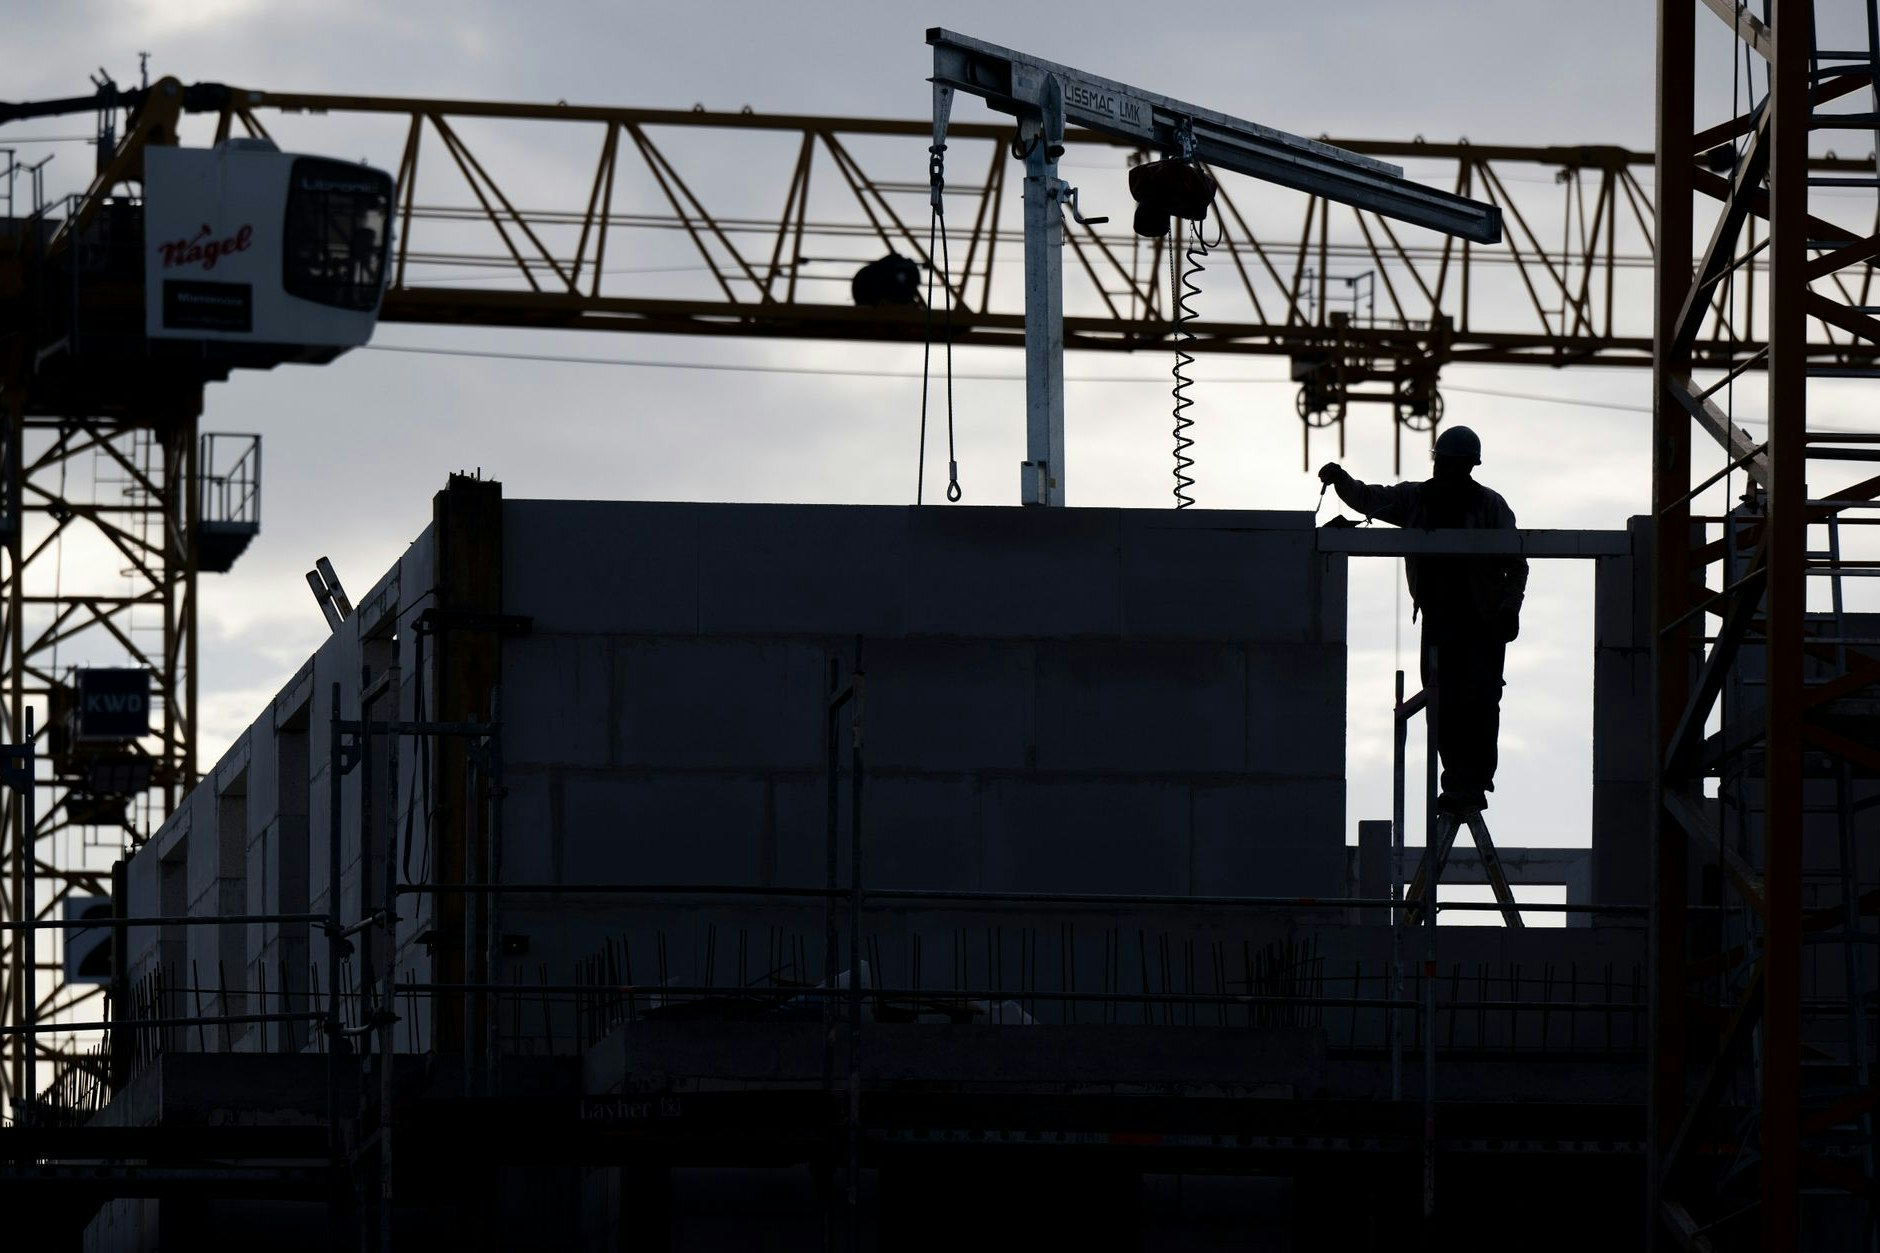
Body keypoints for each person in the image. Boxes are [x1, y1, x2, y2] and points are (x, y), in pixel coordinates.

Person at [1318, 425, 1527, 815]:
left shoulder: (1490, 507)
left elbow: (1516, 565)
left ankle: (1473, 781)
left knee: (1480, 702)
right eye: (1443, 464)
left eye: (1453, 465)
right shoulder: (1417, 499)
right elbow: (1369, 499)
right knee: (1442, 700)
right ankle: (1457, 782)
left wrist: (1509, 609)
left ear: (1468, 467)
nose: (1446, 471)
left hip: (1482, 624)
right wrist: (1342, 481)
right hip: (1440, 620)